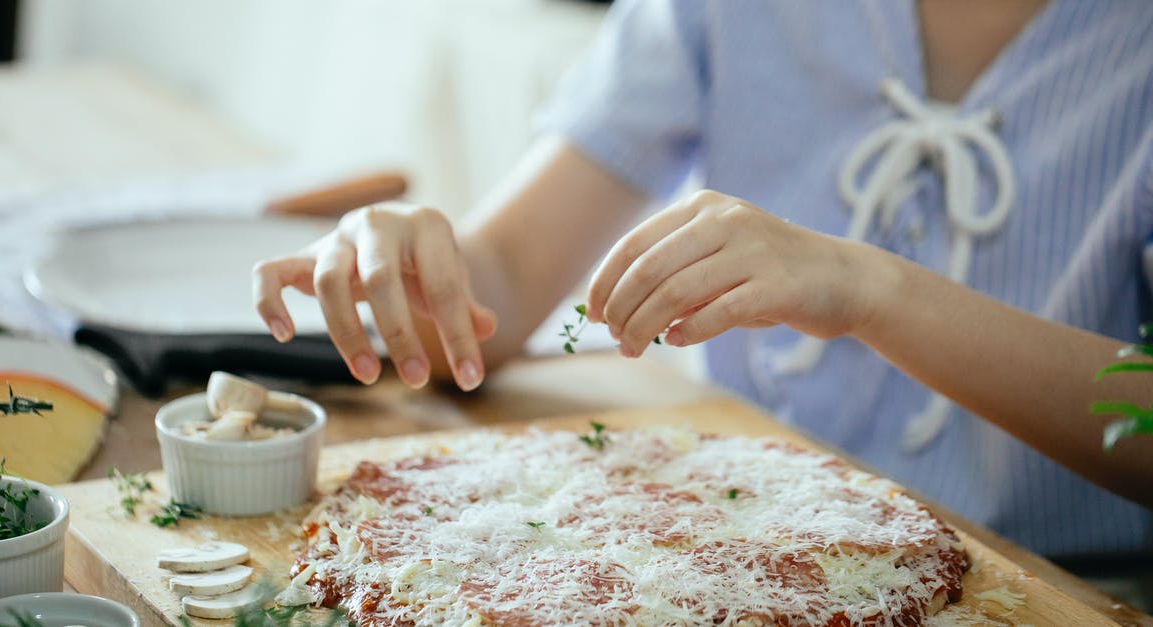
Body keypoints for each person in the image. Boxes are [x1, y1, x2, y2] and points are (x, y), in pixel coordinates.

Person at [253, 0, 1153, 564]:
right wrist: (419, 283)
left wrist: (871, 287)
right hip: (748, 546)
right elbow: (510, 280)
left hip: (1062, 588)